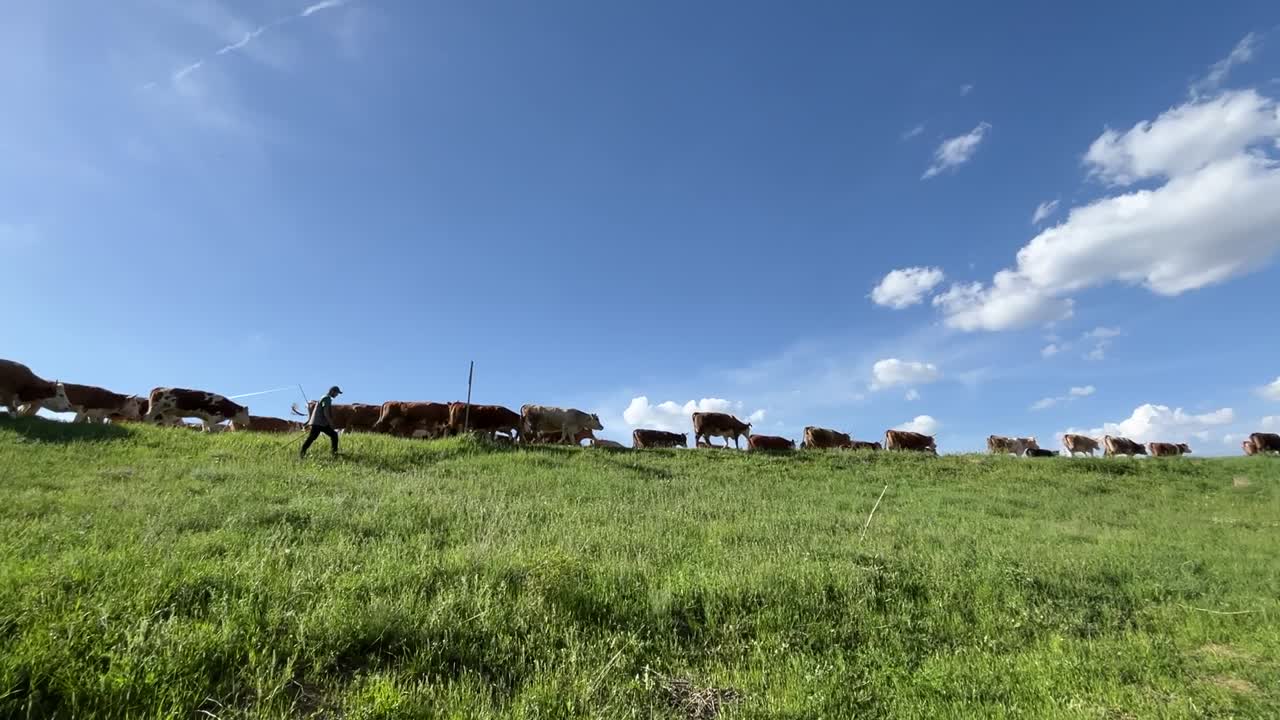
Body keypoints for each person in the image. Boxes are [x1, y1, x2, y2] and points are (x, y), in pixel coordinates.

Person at [300, 385, 342, 458]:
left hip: (321, 423)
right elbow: (325, 412)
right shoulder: (327, 398)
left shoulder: (324, 397)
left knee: (333, 435)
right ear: (332, 391)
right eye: (336, 393)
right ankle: (302, 453)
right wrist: (331, 422)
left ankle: (334, 453)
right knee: (312, 437)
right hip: (318, 423)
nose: (337, 395)